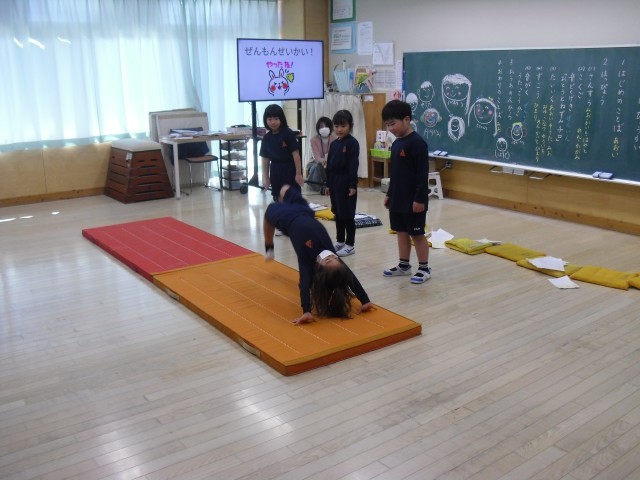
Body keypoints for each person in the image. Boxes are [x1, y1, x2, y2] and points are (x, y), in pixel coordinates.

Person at [263, 184, 374, 325]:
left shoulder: (306, 259)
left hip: (287, 218)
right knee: (284, 188)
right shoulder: (333, 257)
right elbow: (351, 279)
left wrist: (306, 311)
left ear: (318, 267)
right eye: (334, 258)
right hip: (304, 211)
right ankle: (284, 201)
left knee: (269, 214)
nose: (331, 256)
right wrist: (365, 300)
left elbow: (304, 284)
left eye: (328, 260)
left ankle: (269, 247)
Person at [381, 99, 432, 284]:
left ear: (407, 119)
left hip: (414, 200)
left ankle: (424, 268)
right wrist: (389, 194)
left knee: (417, 234)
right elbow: (395, 174)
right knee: (401, 231)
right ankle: (404, 265)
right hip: (397, 198)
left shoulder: (417, 143)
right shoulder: (396, 144)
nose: (390, 128)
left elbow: (422, 175)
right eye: (388, 125)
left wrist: (420, 199)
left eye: (393, 124)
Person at [325, 109, 360, 257]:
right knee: (337, 213)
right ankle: (340, 241)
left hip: (346, 181)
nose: (339, 129)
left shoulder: (352, 143)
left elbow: (353, 165)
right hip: (334, 182)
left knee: (347, 215)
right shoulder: (334, 144)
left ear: (350, 126)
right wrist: (328, 184)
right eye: (336, 126)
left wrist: (352, 184)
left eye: (343, 126)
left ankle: (350, 244)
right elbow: (329, 165)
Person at [260, 104, 304, 202]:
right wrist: (266, 178)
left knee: (292, 196)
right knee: (278, 196)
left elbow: (296, 154)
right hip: (275, 170)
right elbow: (265, 159)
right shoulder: (266, 138)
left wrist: (298, 173)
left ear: (281, 119)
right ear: (265, 120)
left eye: (276, 119)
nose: (273, 122)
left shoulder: (288, 133)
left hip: (289, 169)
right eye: (270, 119)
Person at [306, 116, 336, 192]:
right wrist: (322, 160)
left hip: (330, 164)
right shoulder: (314, 140)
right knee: (317, 167)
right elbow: (316, 157)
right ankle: (320, 188)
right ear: (318, 128)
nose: (324, 128)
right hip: (316, 163)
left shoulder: (335, 140)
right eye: (321, 126)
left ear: (330, 127)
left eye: (326, 126)